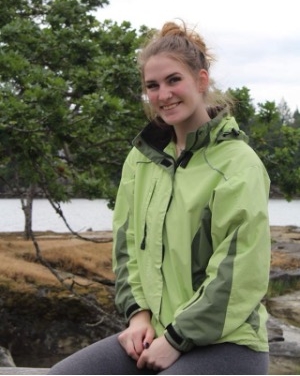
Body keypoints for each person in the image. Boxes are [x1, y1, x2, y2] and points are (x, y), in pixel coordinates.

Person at [48, 20, 271, 375]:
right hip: (156, 333)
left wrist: (176, 339)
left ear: (200, 80)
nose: (163, 94)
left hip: (226, 343)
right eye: (152, 86)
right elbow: (127, 244)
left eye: (173, 80)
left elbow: (240, 272)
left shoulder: (237, 163)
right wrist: (138, 316)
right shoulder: (141, 158)